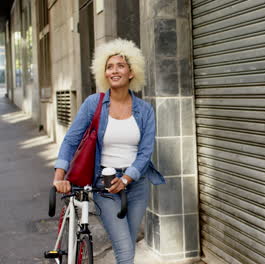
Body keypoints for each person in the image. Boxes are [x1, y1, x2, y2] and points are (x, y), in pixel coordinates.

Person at [52, 38, 165, 264]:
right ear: (104, 73)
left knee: (128, 246)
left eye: (120, 66)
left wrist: (126, 178)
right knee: (124, 251)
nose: (114, 71)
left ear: (132, 72)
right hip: (105, 184)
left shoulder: (145, 110)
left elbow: (146, 151)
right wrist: (59, 175)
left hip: (137, 184)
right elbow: (71, 140)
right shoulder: (93, 103)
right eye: (109, 66)